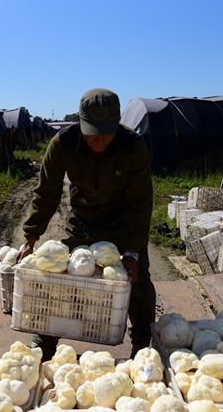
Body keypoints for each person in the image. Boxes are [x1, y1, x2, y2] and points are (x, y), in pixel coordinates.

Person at [18, 88, 155, 358]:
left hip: (122, 221)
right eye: (92, 133)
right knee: (58, 274)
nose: (99, 140)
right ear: (80, 123)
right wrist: (30, 237)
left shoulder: (133, 146)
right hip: (82, 221)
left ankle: (141, 343)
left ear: (117, 124)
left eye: (106, 133)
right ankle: (44, 343)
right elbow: (46, 193)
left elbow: (141, 204)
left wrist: (131, 251)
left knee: (136, 280)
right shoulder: (63, 144)